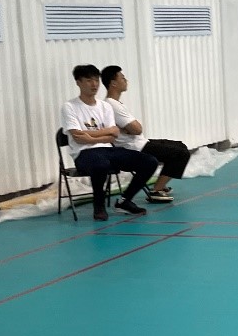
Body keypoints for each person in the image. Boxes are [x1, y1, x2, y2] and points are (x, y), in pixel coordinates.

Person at [60, 64, 159, 221]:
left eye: (96, 80)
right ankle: (99, 206)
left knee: (149, 161)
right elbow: (77, 136)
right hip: (83, 153)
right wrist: (103, 133)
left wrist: (90, 137)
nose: (94, 84)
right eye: (89, 80)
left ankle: (125, 200)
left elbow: (114, 134)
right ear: (78, 82)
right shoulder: (70, 106)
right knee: (101, 165)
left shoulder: (105, 106)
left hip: (108, 150)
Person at [102, 65, 191, 202]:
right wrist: (130, 128)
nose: (126, 80)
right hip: (134, 148)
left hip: (140, 142)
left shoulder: (116, 104)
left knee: (180, 146)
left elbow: (135, 128)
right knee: (181, 154)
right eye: (122, 78)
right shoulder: (112, 105)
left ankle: (160, 186)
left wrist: (130, 128)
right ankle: (156, 190)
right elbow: (137, 129)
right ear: (113, 83)